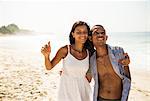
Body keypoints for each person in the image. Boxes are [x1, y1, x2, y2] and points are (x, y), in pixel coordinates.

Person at [41, 21, 94, 101]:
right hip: (67, 90)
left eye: (85, 32)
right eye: (78, 32)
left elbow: (89, 75)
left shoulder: (89, 52)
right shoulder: (65, 50)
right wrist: (46, 56)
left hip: (83, 90)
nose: (82, 35)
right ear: (73, 34)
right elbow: (49, 67)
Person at [90, 25, 131, 101]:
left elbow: (127, 77)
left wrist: (126, 65)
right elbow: (86, 77)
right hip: (100, 98)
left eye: (103, 33)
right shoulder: (91, 59)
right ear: (90, 38)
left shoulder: (118, 52)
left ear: (106, 37)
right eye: (96, 33)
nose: (100, 35)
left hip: (118, 99)